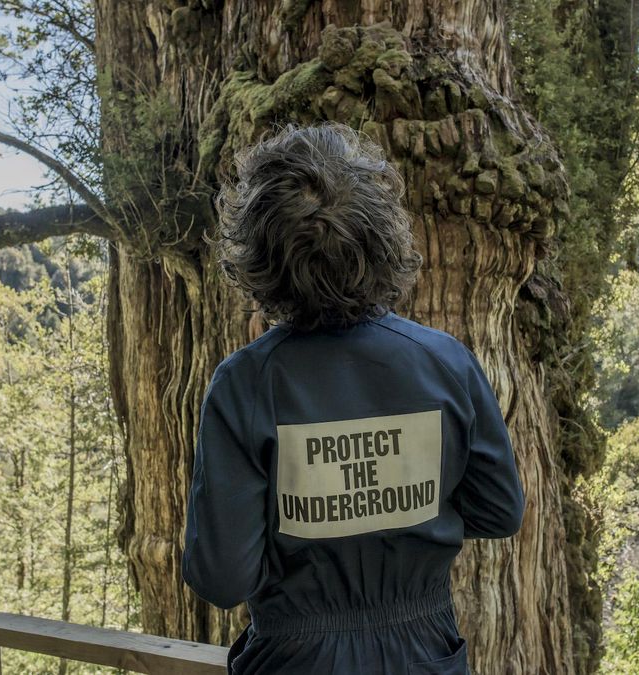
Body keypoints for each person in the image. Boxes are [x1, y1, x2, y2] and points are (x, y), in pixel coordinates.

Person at [182, 122, 525, 675]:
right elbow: (500, 511)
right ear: (382, 236)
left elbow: (222, 578)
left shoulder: (245, 385)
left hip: (296, 660)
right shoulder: (445, 362)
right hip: (427, 655)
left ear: (259, 256)